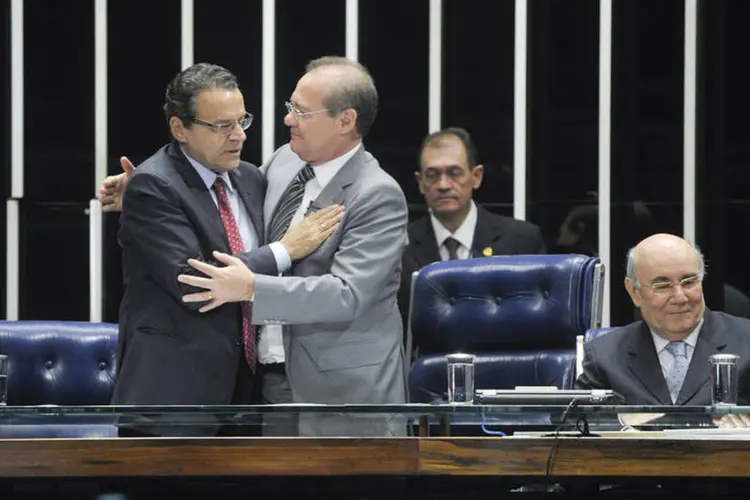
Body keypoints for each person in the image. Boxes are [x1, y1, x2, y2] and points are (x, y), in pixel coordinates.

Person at [109, 63, 342, 436]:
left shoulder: (249, 177)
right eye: (221, 126)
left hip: (244, 395)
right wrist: (285, 250)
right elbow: (197, 283)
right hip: (173, 398)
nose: (238, 137)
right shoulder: (152, 185)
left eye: (241, 121)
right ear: (179, 129)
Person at [398, 127, 546, 344]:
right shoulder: (400, 246)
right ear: (420, 182)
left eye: (455, 173)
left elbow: (538, 324)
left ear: (476, 176)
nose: (443, 185)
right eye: (432, 175)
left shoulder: (521, 240)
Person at [575, 233, 750, 405]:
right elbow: (575, 426)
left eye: (689, 282)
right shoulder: (604, 356)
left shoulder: (745, 341)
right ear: (634, 292)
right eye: (663, 286)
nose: (680, 297)